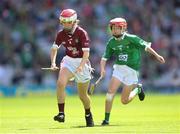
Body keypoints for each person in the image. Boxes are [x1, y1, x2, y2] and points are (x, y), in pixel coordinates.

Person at [100, 18, 165, 125]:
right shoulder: (111, 42)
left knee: (124, 101)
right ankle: (106, 120)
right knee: (110, 93)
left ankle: (138, 89)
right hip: (119, 69)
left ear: (123, 28)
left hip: (131, 71)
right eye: (113, 28)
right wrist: (102, 69)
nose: (115, 31)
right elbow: (104, 58)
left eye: (117, 28)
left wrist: (157, 55)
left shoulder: (132, 38)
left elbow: (146, 46)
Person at [50, 9, 94, 127]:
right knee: (60, 83)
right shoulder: (60, 34)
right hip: (69, 61)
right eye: (63, 22)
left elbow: (86, 54)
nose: (65, 25)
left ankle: (88, 114)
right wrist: (53, 63)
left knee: (82, 96)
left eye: (67, 22)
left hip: (82, 63)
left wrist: (80, 66)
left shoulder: (82, 33)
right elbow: (54, 48)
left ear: (74, 22)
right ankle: (61, 113)